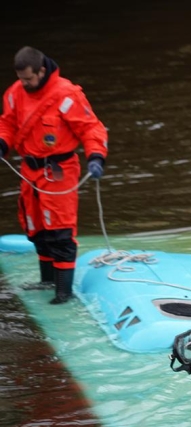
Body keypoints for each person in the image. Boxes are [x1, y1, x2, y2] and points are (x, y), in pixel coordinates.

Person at [0, 46, 108, 304]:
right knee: (35, 229)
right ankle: (46, 281)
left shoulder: (67, 95)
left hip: (59, 172)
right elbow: (8, 124)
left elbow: (91, 128)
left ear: (42, 70)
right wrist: (2, 144)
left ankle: (63, 292)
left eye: (29, 79)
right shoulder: (15, 93)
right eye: (21, 79)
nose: (25, 84)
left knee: (59, 231)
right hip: (29, 170)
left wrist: (95, 157)